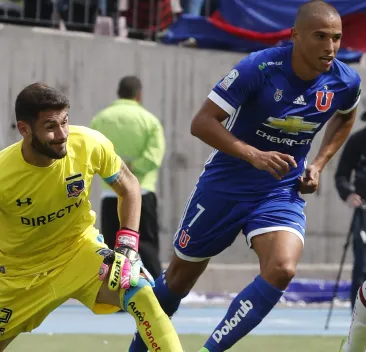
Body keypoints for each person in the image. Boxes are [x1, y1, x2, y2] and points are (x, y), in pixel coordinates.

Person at [128, 1, 362, 351]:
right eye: (320, 37)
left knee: (282, 268)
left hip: (280, 190)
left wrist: (318, 164)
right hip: (225, 185)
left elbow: (346, 116)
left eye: (337, 38)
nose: (330, 47)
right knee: (178, 281)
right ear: (295, 36)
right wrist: (253, 154)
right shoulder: (259, 68)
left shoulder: (345, 80)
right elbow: (201, 123)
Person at [0, 83, 184, 352]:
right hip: (20, 279)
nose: (62, 134)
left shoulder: (90, 144)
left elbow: (130, 186)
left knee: (140, 293)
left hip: (81, 254)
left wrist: (126, 246)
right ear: (24, 129)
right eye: (50, 126)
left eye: (65, 122)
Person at [91, 76, 166, 280]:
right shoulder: (149, 120)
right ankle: (155, 294)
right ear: (139, 95)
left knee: (113, 246)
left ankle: (114, 294)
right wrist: (130, 169)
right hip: (142, 192)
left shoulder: (100, 119)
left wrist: (115, 171)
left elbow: (91, 152)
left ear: (118, 92)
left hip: (110, 193)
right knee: (146, 245)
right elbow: (154, 156)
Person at [335, 125, 366, 308]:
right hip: (363, 213)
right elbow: (341, 175)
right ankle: (359, 315)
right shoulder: (358, 140)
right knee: (362, 265)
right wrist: (348, 194)